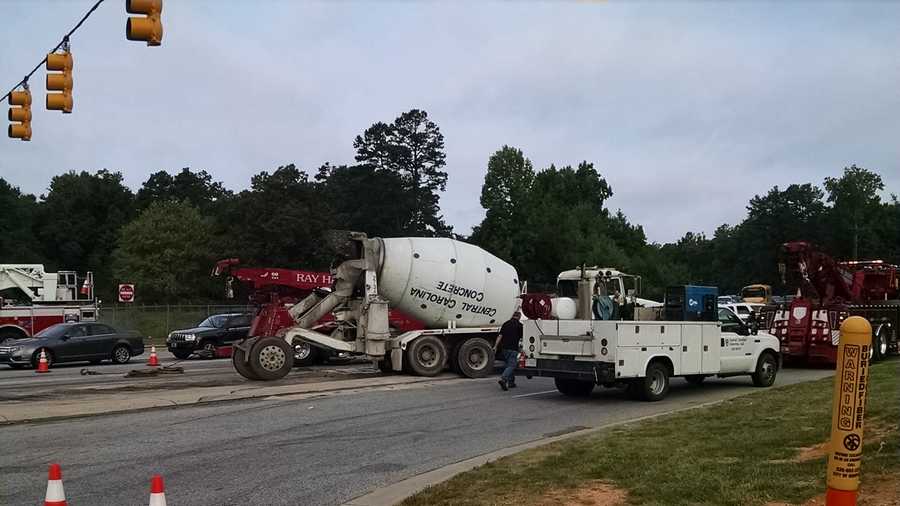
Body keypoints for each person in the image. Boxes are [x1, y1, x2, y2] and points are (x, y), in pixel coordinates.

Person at [494, 310, 523, 391]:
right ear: (519, 317)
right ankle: (503, 379)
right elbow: (522, 338)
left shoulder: (505, 324)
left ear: (513, 315)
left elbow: (500, 336)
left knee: (508, 365)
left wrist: (495, 346)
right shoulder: (519, 325)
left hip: (504, 348)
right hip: (513, 348)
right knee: (512, 365)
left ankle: (511, 383)